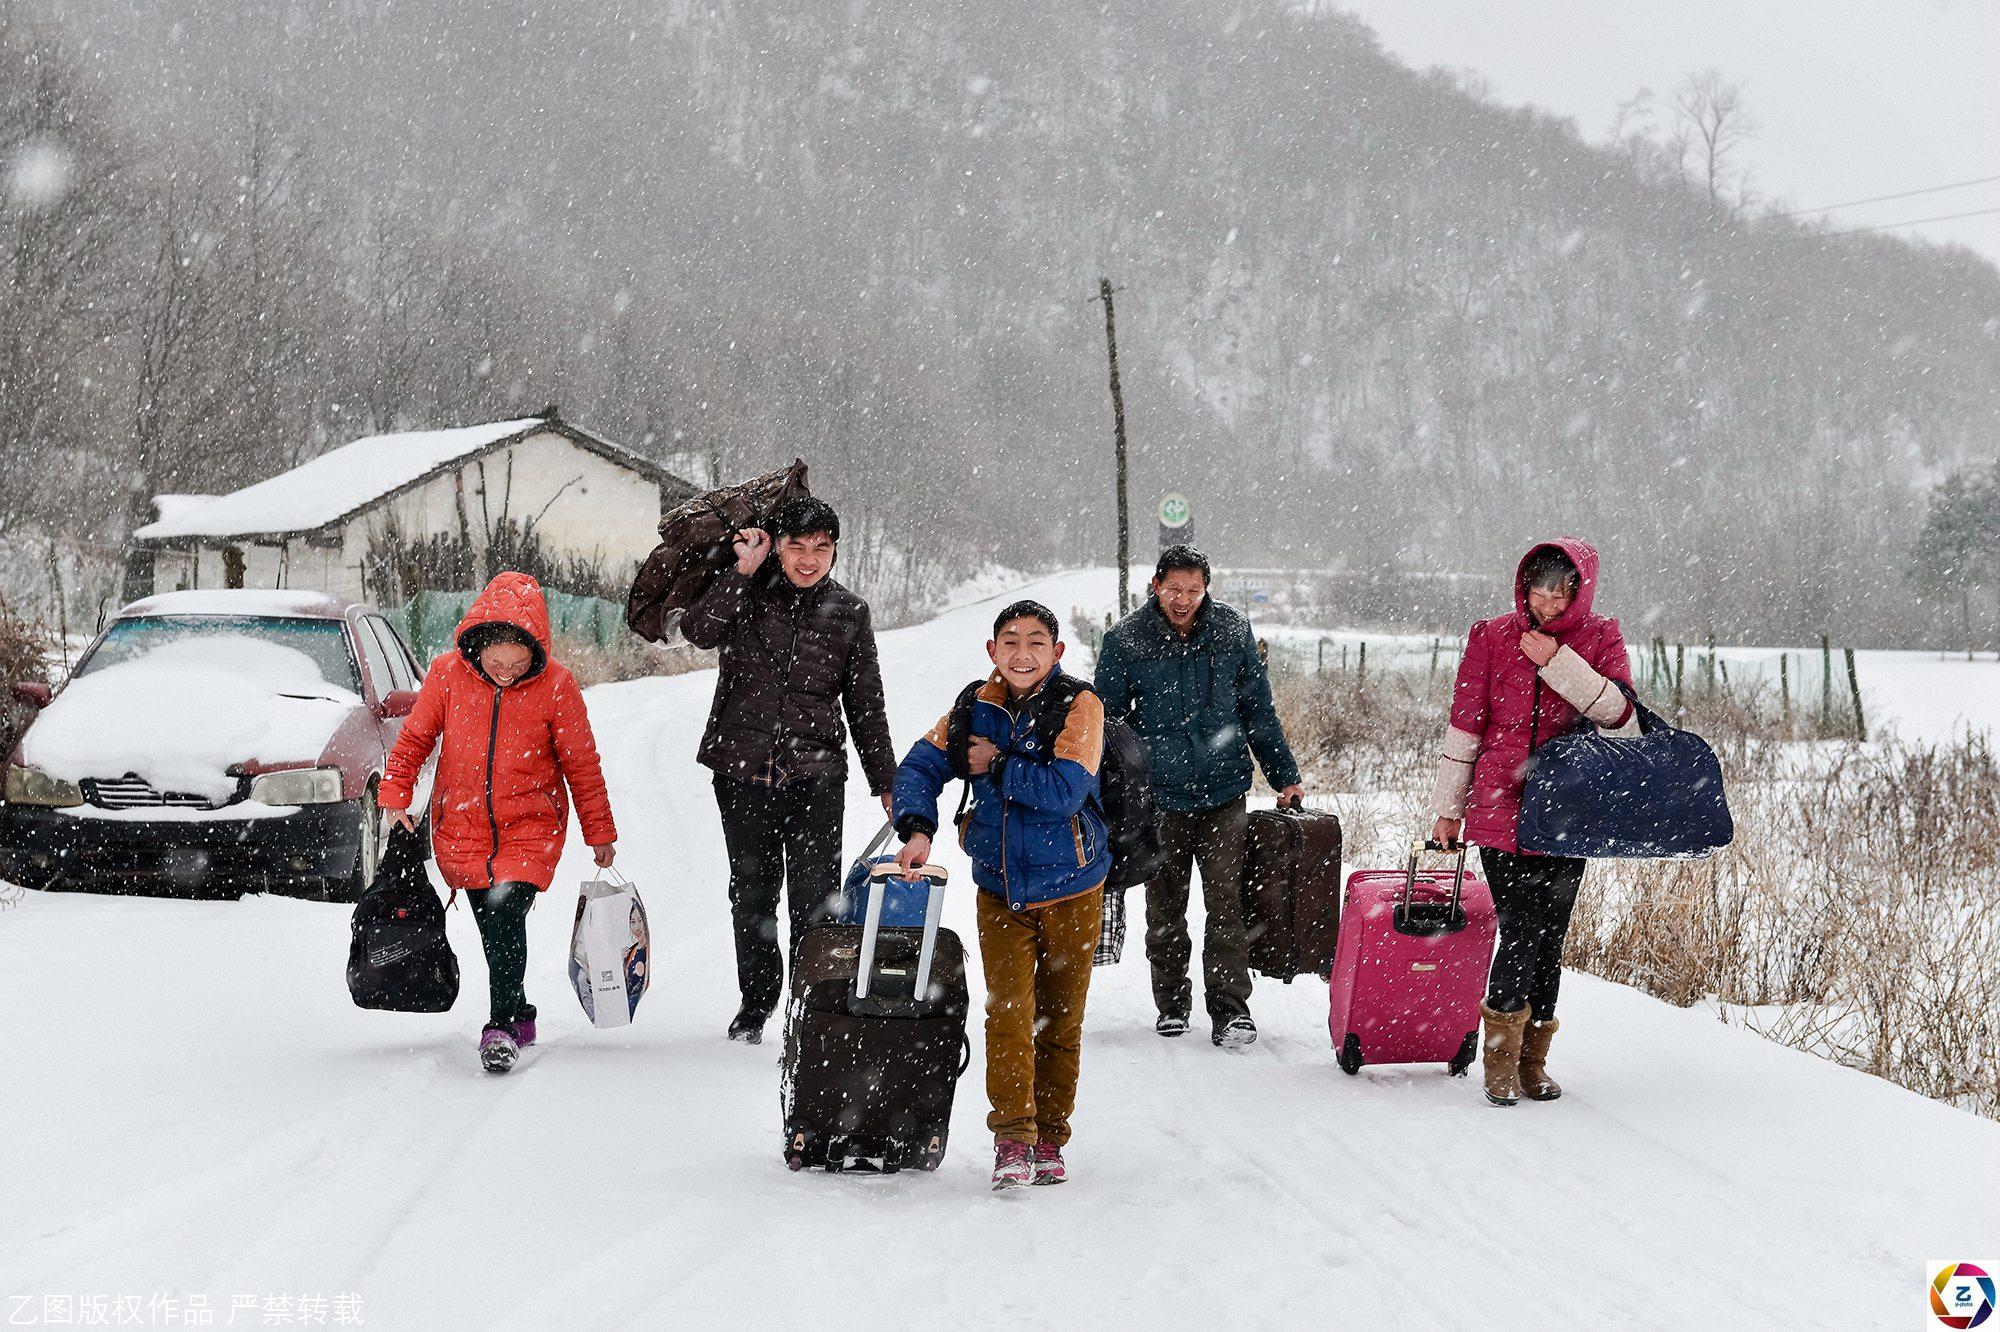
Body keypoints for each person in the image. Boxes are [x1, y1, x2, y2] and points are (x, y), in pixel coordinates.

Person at [892, 601, 1107, 1190]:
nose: (1022, 653)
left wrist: (997, 766)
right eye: (1009, 641)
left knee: (1061, 1020)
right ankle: (1013, 1138)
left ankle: (1052, 1139)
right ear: (992, 651)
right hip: (1001, 888)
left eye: (1037, 642)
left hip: (1074, 888)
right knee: (1009, 1014)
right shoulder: (973, 708)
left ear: (1057, 653)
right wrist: (917, 827)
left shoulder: (1080, 705)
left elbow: (1066, 791)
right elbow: (919, 765)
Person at [1428, 538, 1640, 1107]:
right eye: (1538, 588)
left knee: (1551, 938)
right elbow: (1466, 724)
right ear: (1525, 586)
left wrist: (1558, 663)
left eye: (1560, 590)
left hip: (1571, 813)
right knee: (1522, 929)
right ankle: (1499, 1060)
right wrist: (1449, 807)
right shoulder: (1492, 637)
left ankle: (1532, 1062)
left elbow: (1621, 716)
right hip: (1501, 808)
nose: (1547, 601)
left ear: (1580, 591)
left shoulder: (1600, 638)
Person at [680, 496, 897, 1044]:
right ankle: (755, 1006)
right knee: (752, 894)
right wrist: (742, 569)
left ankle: (812, 1007)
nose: (808, 559)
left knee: (816, 896)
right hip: (741, 768)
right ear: (776, 546)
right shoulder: (746, 593)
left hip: (816, 772)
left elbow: (865, 703)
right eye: (796, 545)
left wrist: (887, 782)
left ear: (834, 551)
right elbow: (700, 631)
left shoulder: (849, 612)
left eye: (821, 547)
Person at [380, 571, 618, 1072]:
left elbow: (581, 763)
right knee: (493, 925)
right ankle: (523, 1010)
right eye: (497, 661)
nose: (508, 671)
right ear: (478, 647)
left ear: (537, 650)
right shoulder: (447, 675)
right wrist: (396, 792)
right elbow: (415, 739)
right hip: (462, 826)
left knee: (506, 908)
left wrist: (599, 832)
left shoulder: (557, 686)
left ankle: (500, 1026)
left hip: (531, 826)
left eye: (519, 661)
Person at [1093, 545, 1303, 1048]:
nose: (1183, 600)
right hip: (1158, 798)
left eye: (1193, 590)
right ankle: (1171, 1004)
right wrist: (1107, 790)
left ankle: (1230, 1010)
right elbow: (1104, 722)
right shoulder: (1127, 640)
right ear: (1155, 586)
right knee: (1165, 908)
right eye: (1173, 590)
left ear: (1206, 587)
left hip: (1223, 792)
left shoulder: (1231, 631)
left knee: (1226, 905)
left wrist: (1284, 775)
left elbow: (1257, 710)